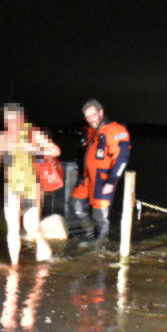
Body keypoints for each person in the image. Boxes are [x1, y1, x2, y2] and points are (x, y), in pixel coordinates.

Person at [0, 103, 60, 265]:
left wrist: (34, 149)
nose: (11, 124)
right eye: (7, 120)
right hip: (11, 189)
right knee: (12, 228)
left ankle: (45, 253)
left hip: (31, 187)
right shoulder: (2, 138)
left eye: (14, 120)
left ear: (21, 119)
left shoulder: (33, 134)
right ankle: (14, 265)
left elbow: (55, 151)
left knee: (31, 227)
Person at [71, 99, 131, 248]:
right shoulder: (89, 131)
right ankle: (91, 235)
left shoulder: (115, 130)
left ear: (101, 112)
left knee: (100, 214)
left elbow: (122, 157)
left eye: (93, 115)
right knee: (75, 205)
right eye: (87, 116)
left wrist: (112, 181)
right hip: (86, 178)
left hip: (103, 179)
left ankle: (100, 245)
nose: (91, 119)